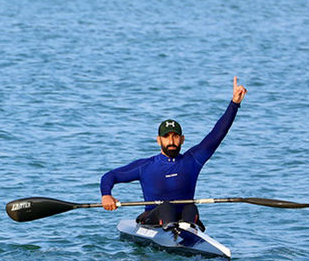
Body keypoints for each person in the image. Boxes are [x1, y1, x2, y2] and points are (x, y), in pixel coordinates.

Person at [100, 76, 248, 228]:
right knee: (167, 207)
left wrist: (234, 104)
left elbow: (217, 133)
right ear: (159, 140)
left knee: (191, 207)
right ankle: (175, 233)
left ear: (182, 139)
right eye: (166, 137)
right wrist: (106, 195)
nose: (171, 142)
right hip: (154, 219)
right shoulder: (146, 166)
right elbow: (110, 176)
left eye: (175, 136)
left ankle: (187, 233)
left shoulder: (193, 160)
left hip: (185, 217)